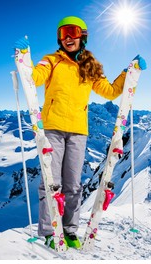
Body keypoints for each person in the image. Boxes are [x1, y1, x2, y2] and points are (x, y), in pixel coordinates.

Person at [14, 16, 147, 249]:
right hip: (53, 128)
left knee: (73, 185)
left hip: (78, 131)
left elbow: (110, 91)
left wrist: (129, 72)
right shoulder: (51, 61)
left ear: (82, 36)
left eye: (72, 32)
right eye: (63, 32)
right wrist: (24, 58)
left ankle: (70, 230)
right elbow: (34, 78)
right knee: (50, 181)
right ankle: (48, 231)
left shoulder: (91, 67)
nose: (67, 37)